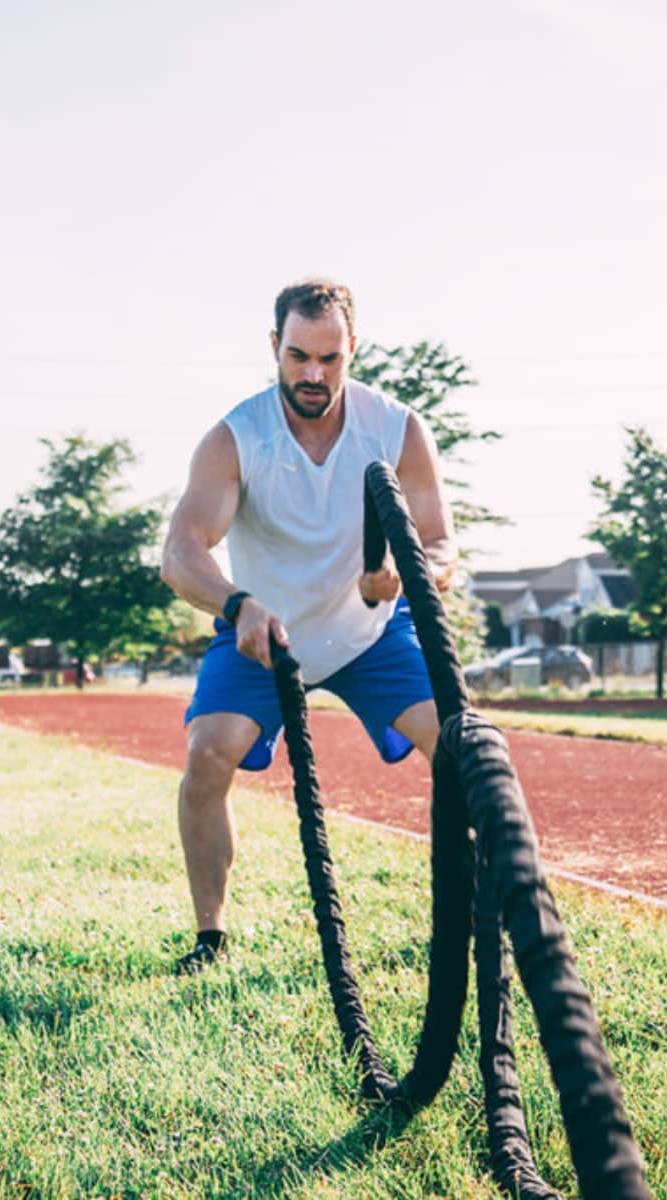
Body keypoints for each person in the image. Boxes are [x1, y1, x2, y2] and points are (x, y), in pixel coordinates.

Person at [158, 278, 458, 974]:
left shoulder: (398, 428)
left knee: (458, 746)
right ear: (275, 348)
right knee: (207, 757)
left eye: (330, 358)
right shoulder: (237, 436)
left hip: (371, 626)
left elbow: (443, 544)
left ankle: (470, 911)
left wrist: (411, 573)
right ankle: (211, 937)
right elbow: (181, 553)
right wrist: (237, 605)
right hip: (266, 631)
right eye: (298, 357)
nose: (314, 375)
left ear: (354, 348)